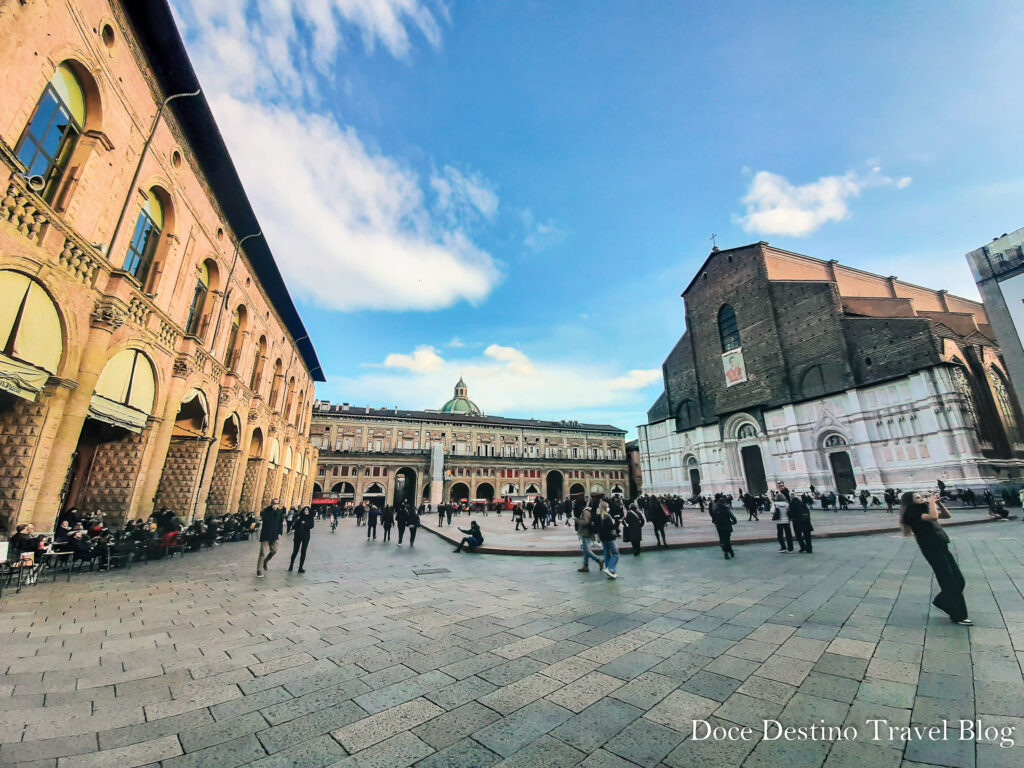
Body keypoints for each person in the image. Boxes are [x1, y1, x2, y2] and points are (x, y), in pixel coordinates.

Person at [900, 491, 972, 625]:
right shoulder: (912, 513)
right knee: (950, 582)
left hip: (941, 545)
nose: (921, 499)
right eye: (917, 498)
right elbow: (933, 516)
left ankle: (941, 601)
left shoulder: (923, 510)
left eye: (921, 496)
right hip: (931, 549)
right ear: (910, 501)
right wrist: (932, 502)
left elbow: (947, 515)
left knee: (959, 580)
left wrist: (938, 503)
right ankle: (959, 616)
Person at [257, 498, 285, 578]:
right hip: (266, 534)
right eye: (274, 503)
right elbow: (265, 519)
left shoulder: (279, 512)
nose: (275, 505)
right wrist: (272, 510)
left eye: (276, 503)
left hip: (274, 535)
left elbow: (280, 523)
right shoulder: (266, 511)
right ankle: (259, 570)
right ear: (271, 504)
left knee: (274, 550)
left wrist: (280, 533)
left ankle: (265, 561)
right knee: (262, 552)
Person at [574, 505, 604, 573]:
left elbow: (585, 522)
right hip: (587, 532)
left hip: (586, 533)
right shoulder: (588, 510)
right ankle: (585, 566)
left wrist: (577, 520)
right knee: (585, 550)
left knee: (586, 550)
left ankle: (599, 560)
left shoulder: (586, 511)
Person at [597, 502, 620, 579]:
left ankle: (608, 570)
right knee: (616, 554)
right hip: (610, 538)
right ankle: (610, 569)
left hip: (603, 538)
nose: (608, 508)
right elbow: (612, 527)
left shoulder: (599, 516)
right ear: (605, 507)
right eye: (608, 506)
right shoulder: (607, 517)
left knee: (607, 555)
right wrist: (618, 522)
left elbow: (598, 528)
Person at [289, 506, 314, 573]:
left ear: (309, 511)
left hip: (306, 537)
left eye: (307, 510)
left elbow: (311, 526)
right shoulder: (299, 517)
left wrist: (304, 523)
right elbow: (294, 526)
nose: (306, 511)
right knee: (295, 551)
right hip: (298, 536)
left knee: (303, 551)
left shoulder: (310, 518)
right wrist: (299, 522)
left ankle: (300, 567)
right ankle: (291, 565)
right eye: (305, 510)